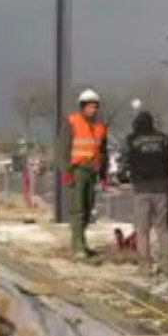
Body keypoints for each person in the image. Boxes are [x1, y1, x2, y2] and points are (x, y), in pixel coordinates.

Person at [124, 110, 168, 276]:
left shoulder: (132, 140)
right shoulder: (164, 139)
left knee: (142, 229)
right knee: (163, 229)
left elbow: (126, 161)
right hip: (161, 187)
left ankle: (145, 266)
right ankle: (166, 265)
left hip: (141, 189)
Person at [59, 88, 109, 259]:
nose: (93, 110)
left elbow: (103, 152)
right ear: (82, 107)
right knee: (78, 209)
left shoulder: (101, 127)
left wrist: (103, 175)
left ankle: (82, 241)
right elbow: (62, 149)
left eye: (95, 107)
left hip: (92, 172)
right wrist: (67, 171)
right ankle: (77, 245)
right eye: (90, 106)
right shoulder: (72, 122)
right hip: (77, 171)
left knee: (88, 209)